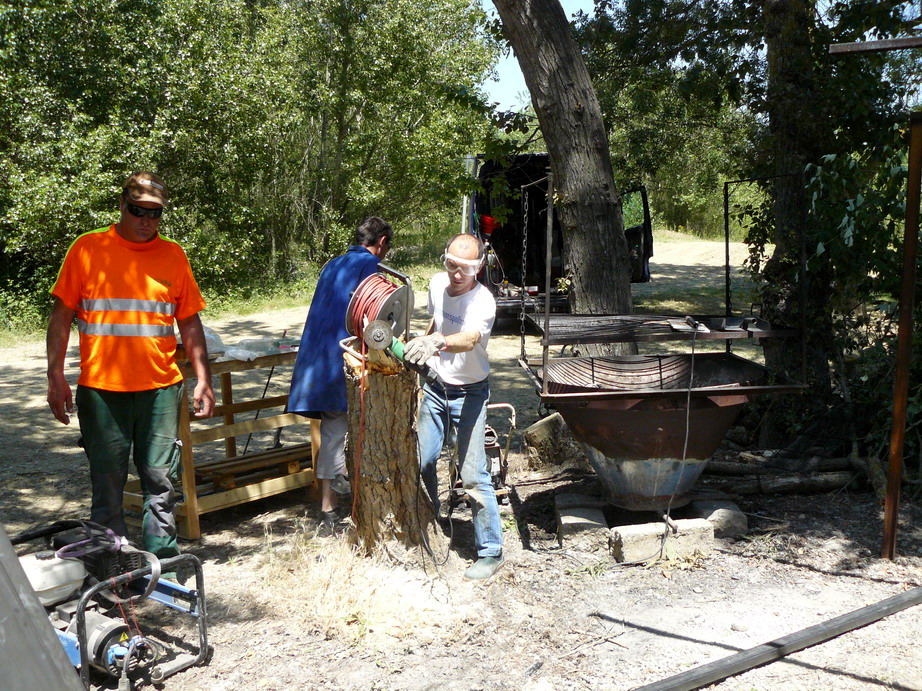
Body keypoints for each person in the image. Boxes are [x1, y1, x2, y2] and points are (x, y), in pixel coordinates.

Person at [46, 172, 215, 562]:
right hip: (102, 392)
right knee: (107, 485)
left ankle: (164, 566)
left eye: (155, 213)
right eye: (138, 210)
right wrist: (56, 377)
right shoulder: (87, 249)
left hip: (160, 389)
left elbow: (188, 321)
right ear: (122, 205)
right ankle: (112, 566)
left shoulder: (173, 255)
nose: (146, 220)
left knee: (161, 482)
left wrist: (202, 379)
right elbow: (61, 318)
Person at [405, 233, 503, 580]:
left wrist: (439, 342)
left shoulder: (484, 301)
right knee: (423, 461)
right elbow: (436, 321)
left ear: (478, 268)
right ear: (444, 260)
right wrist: (423, 341)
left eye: (465, 268)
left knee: (474, 476)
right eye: (451, 265)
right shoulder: (436, 284)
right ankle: (433, 526)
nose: (456, 274)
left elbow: (471, 338)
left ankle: (491, 551)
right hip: (434, 387)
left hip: (471, 393)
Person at [288, 217, 392, 531]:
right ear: (382, 242)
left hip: (318, 360)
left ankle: (330, 506)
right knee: (344, 432)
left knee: (334, 431)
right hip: (342, 360)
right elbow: (374, 323)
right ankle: (338, 509)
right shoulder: (371, 267)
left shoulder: (332, 264)